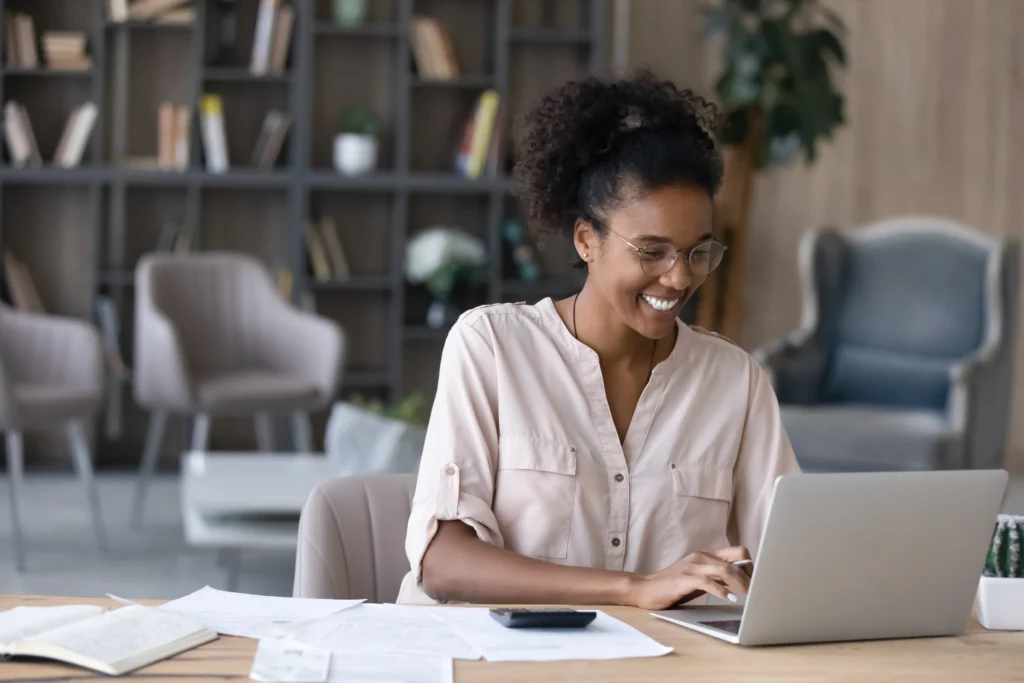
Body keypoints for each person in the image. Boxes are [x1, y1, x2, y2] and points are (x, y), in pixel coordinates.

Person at [396, 69, 800, 609]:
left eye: (697, 251)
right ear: (587, 239)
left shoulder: (734, 381)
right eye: (651, 251)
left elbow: (789, 557)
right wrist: (636, 589)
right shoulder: (491, 347)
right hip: (493, 659)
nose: (679, 278)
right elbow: (442, 564)